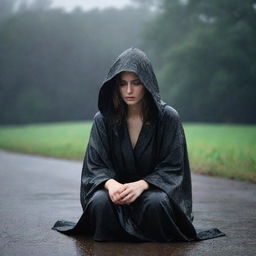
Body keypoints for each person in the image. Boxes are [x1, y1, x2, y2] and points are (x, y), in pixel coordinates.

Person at [52, 47, 225, 242]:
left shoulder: (168, 118)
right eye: (122, 84)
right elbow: (95, 166)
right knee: (100, 202)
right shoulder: (103, 120)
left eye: (136, 83)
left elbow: (173, 168)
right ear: (115, 86)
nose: (129, 90)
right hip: (114, 197)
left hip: (152, 194)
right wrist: (111, 186)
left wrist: (142, 185)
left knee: (156, 203)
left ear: (148, 84)